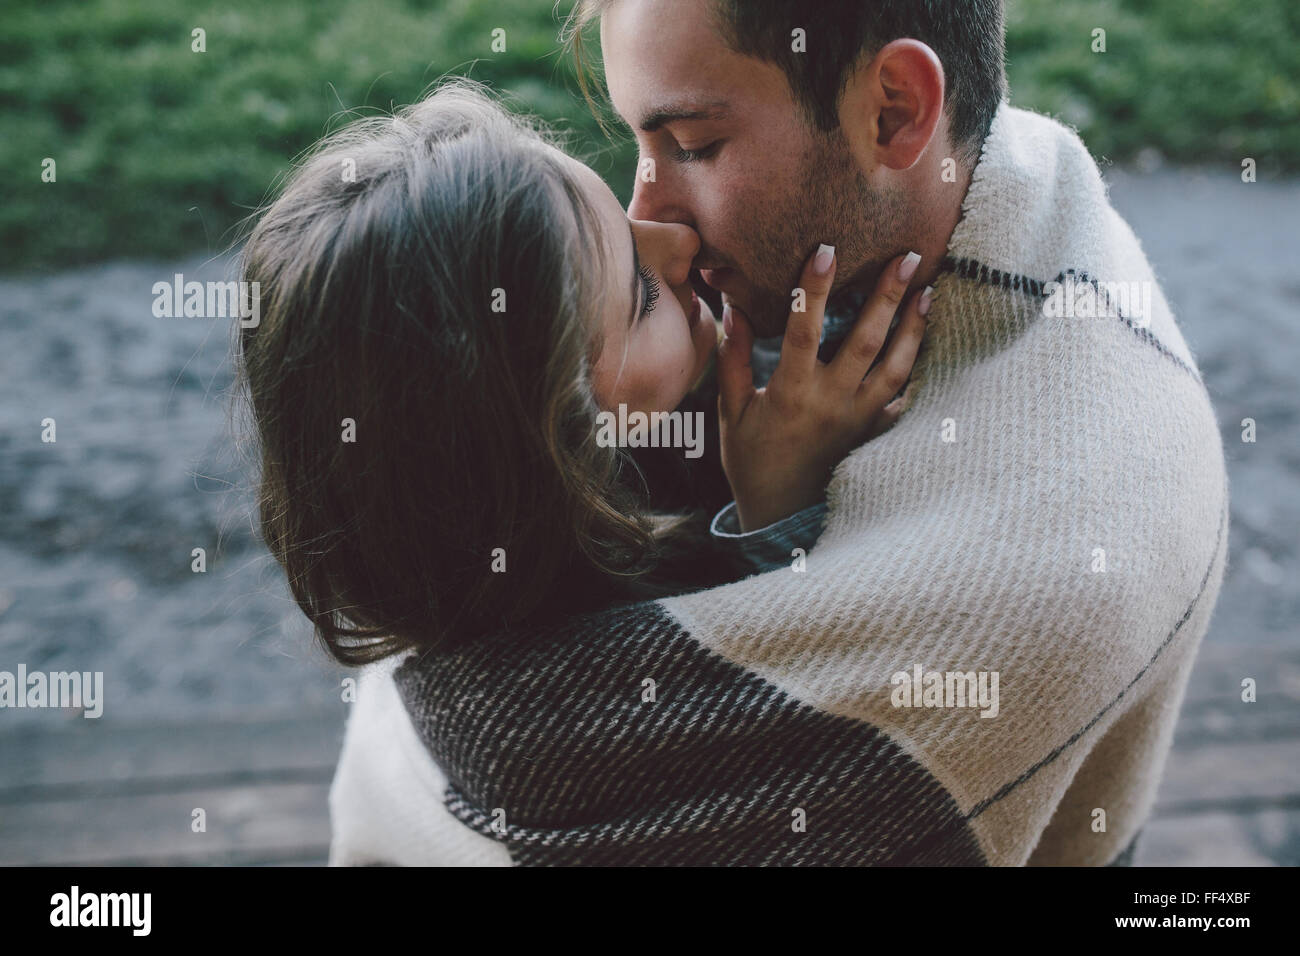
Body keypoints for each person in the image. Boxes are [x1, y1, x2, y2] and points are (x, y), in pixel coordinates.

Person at [235, 80, 929, 865]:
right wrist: (783, 517)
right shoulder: (557, 726)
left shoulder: (456, 556)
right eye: (638, 292)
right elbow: (790, 732)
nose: (677, 243)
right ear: (559, 453)